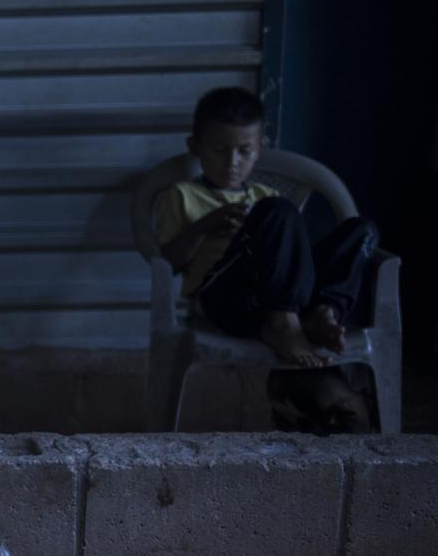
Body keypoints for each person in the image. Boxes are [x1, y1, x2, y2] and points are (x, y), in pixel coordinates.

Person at [153, 87, 380, 368]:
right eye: (219, 150)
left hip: (274, 298)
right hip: (225, 302)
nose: (232, 163)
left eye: (244, 151)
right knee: (278, 210)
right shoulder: (181, 195)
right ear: (195, 147)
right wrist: (206, 225)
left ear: (259, 149)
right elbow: (168, 263)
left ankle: (323, 312)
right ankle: (283, 322)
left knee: (361, 231)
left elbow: (294, 259)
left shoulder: (266, 195)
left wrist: (264, 233)